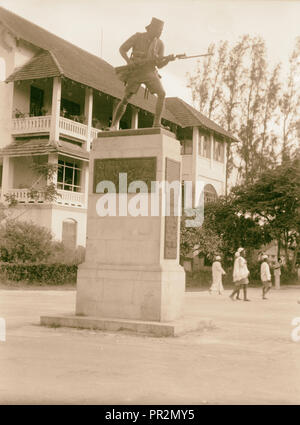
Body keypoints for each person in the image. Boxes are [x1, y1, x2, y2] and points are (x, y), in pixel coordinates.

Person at [111, 17, 172, 130]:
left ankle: (157, 123)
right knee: (126, 98)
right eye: (159, 30)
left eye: (162, 30)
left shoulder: (160, 44)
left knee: (162, 93)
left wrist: (167, 60)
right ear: (152, 28)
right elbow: (122, 49)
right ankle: (113, 125)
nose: (160, 32)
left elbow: (159, 65)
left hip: (150, 72)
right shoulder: (138, 36)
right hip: (136, 71)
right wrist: (129, 62)